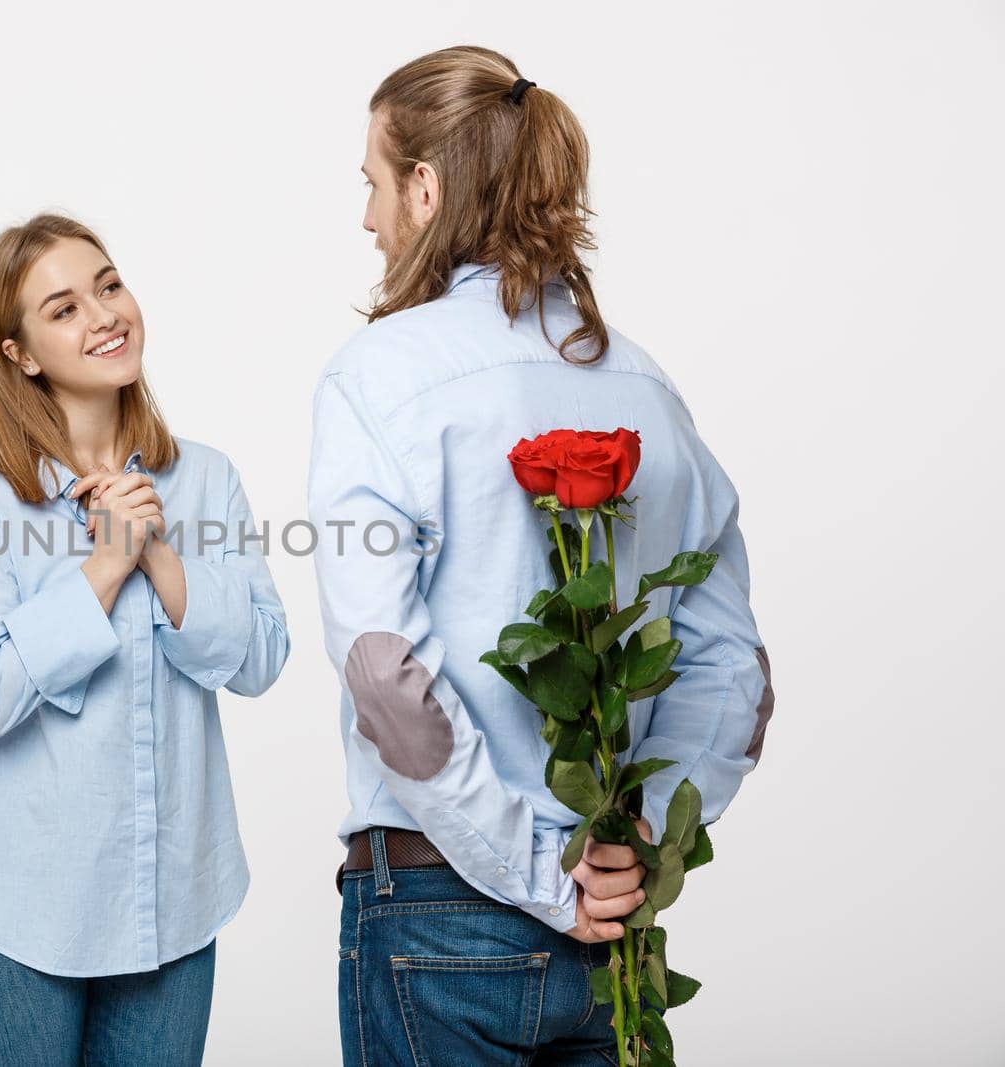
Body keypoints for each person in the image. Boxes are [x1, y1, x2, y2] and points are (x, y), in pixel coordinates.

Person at [308, 46, 775, 1064]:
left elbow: (384, 676)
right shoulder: (646, 387)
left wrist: (533, 869)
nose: (367, 219)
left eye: (373, 185)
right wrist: (634, 846)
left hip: (439, 911)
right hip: (612, 932)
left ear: (424, 188)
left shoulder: (377, 372)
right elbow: (736, 676)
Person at [0, 213, 291, 1066]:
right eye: (63, 308)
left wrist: (160, 556)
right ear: (18, 353)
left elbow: (264, 658)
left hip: (173, 900)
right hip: (15, 909)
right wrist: (105, 566)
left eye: (109, 285)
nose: (102, 315)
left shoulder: (206, 477)